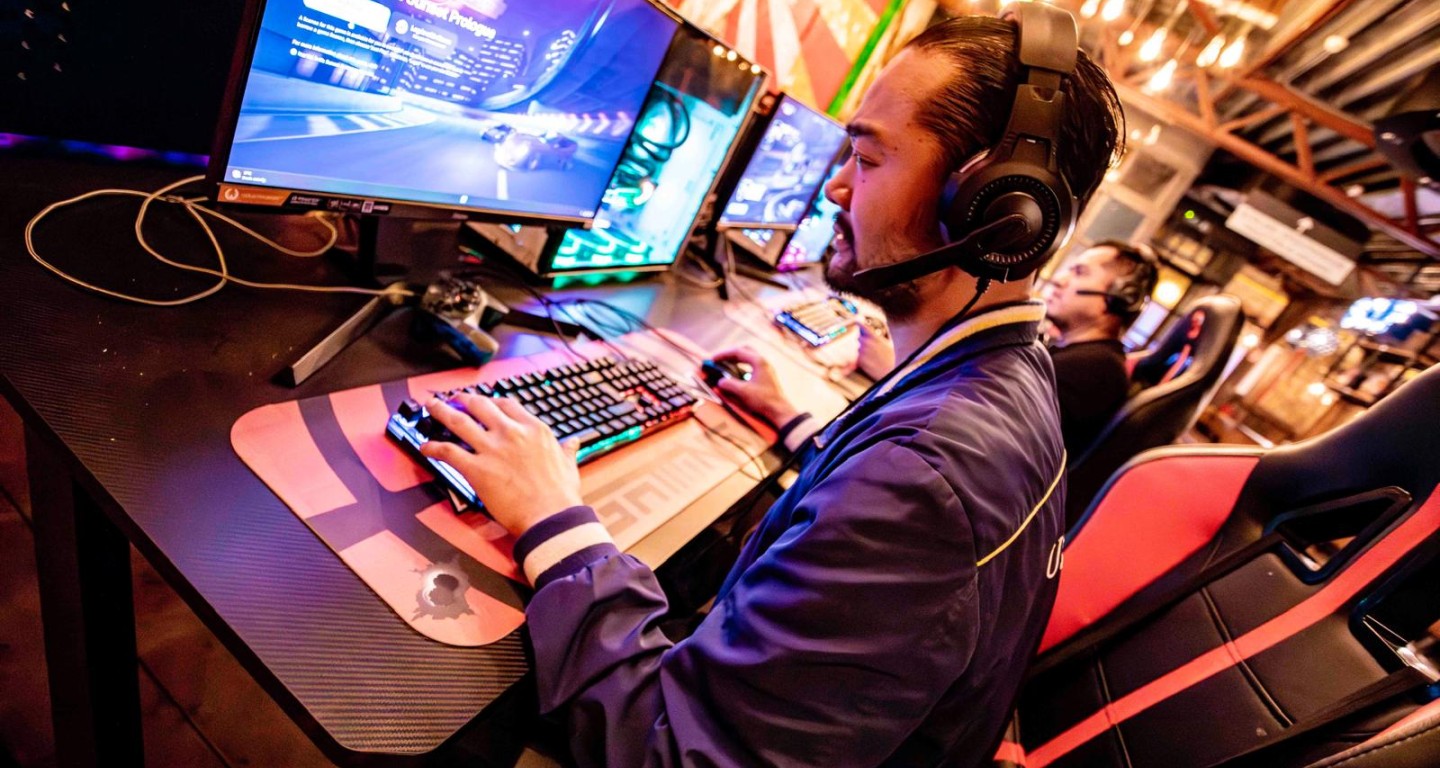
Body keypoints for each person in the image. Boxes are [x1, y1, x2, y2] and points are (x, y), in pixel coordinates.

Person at [418, 9, 1123, 767]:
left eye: (868, 159)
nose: (837, 189)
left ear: (997, 212)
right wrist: (796, 425)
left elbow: (673, 751)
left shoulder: (924, 482)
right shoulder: (1012, 380)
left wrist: (553, 519)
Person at [1041, 241, 1159, 455]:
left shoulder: (1092, 369)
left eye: (1080, 272)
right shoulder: (1084, 357)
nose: (1059, 280)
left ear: (1121, 297)